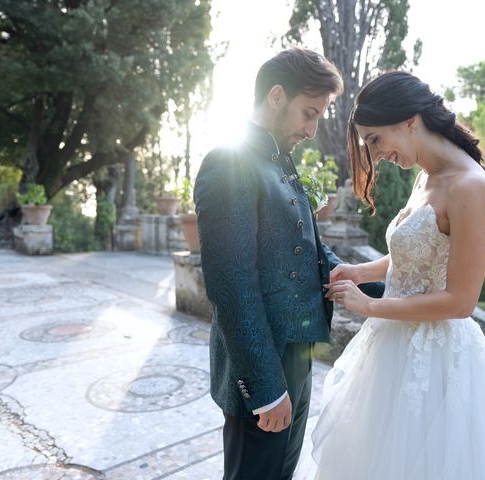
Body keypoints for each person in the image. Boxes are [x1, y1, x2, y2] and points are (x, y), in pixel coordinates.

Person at [304, 71, 485, 479]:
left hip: (436, 358)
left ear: (409, 121)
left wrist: (371, 303)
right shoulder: (424, 175)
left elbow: (460, 302)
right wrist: (359, 270)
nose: (375, 153)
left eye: (375, 140)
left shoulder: (469, 185)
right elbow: (410, 253)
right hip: (389, 347)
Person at [194, 47, 384, 480]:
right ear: (276, 96)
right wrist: (264, 389)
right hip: (262, 365)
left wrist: (394, 292)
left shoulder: (281, 162)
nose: (312, 129)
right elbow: (231, 284)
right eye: (309, 113)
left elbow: (313, 252)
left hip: (299, 353)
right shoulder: (229, 162)